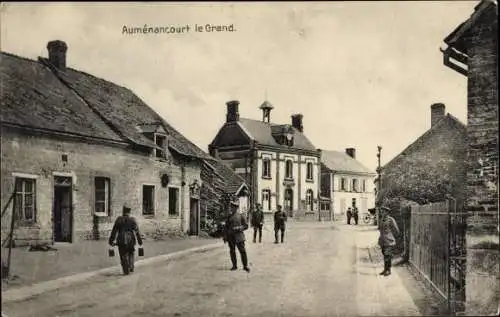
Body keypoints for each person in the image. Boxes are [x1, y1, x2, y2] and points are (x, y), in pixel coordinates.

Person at [108, 204, 143, 275]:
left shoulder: (119, 219)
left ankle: (126, 268)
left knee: (123, 254)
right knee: (131, 252)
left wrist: (111, 241)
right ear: (129, 212)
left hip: (121, 239)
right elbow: (137, 232)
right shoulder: (132, 220)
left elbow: (114, 231)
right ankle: (131, 265)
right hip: (131, 239)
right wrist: (140, 241)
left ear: (123, 211)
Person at [223, 199, 250, 272]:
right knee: (232, 251)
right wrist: (225, 236)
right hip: (231, 237)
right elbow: (226, 227)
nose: (232, 208)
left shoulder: (241, 216)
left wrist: (239, 228)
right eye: (231, 207)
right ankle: (234, 265)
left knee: (242, 251)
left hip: (239, 237)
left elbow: (246, 226)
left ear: (237, 208)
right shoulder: (229, 216)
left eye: (234, 207)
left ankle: (245, 266)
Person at [378, 205, 400, 276]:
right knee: (385, 255)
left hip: (389, 240)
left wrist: (392, 237)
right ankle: (385, 269)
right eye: (381, 211)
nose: (382, 213)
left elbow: (396, 230)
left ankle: (388, 270)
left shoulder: (391, 219)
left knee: (388, 255)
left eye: (383, 211)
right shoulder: (381, 219)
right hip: (382, 240)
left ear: (387, 212)